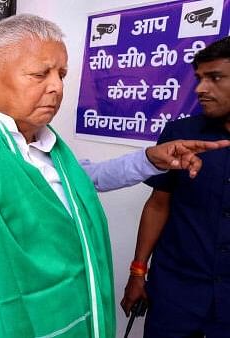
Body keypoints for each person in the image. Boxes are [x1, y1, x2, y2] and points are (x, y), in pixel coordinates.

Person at [0, 14, 230, 338]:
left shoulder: (53, 150)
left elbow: (89, 178)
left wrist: (151, 159)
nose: (56, 87)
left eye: (60, 74)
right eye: (39, 74)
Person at [121, 37, 230, 337]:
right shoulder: (180, 135)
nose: (200, 89)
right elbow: (158, 204)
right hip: (176, 296)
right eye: (199, 78)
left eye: (215, 77)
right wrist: (137, 272)